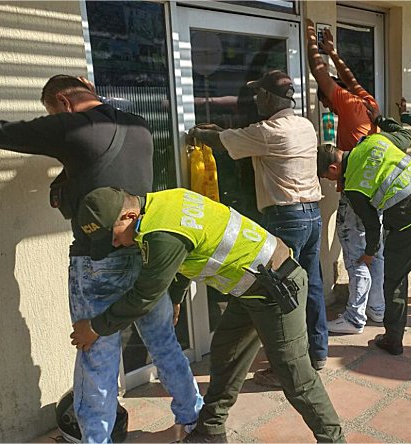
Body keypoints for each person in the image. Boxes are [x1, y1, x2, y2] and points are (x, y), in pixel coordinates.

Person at [0, 75, 203, 442]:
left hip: (96, 265)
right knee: (165, 345)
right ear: (87, 87)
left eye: (53, 112)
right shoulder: (139, 127)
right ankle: (195, 422)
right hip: (143, 255)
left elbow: (2, 131)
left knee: (97, 358)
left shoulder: (71, 128)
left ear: (63, 102)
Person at [70, 187, 344, 443]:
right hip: (250, 288)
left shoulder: (160, 234)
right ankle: (210, 431)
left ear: (129, 216)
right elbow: (183, 256)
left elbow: (143, 297)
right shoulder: (163, 205)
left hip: (277, 290)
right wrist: (176, 299)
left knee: (296, 377)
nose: (116, 244)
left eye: (115, 235)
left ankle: (334, 439)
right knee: (227, 354)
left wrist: (94, 328)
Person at [189, 70, 328, 388]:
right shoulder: (304, 126)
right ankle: (317, 353)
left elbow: (224, 142)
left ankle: (288, 369)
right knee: (311, 285)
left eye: (258, 95)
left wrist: (198, 132)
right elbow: (238, 137)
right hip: (311, 216)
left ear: (267, 97)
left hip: (286, 218)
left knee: (278, 294)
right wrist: (222, 132)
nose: (255, 101)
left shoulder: (268, 132)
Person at [317, 130, 411, 355]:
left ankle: (393, 339)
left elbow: (371, 226)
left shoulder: (354, 185)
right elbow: (404, 137)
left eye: (327, 178)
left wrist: (369, 253)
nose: (331, 182)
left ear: (333, 168)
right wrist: (383, 120)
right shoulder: (373, 140)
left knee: (394, 278)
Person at [306, 20, 386, 336]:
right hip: (377, 191)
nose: (328, 107)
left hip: (356, 192)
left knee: (355, 254)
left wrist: (310, 39)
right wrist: (334, 53)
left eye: (327, 103)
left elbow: (320, 75)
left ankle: (354, 317)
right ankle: (377, 309)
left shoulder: (348, 105)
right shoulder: (367, 102)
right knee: (374, 251)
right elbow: (351, 79)